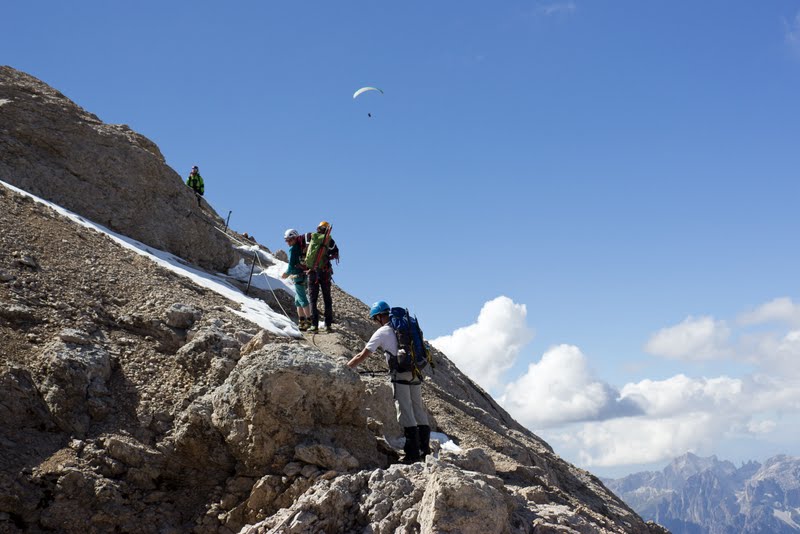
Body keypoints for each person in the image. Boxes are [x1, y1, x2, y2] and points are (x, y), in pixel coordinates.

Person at [347, 301, 431, 464]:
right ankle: (425, 450)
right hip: (415, 371)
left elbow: (363, 355)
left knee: (405, 411)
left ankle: (412, 454)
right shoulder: (406, 326)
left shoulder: (383, 332)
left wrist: (346, 367)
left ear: (379, 316)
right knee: (418, 409)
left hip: (400, 375)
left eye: (374, 319)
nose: (375, 322)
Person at [304, 221, 339, 333]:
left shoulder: (311, 237)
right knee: (327, 299)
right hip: (324, 272)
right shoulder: (330, 240)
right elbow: (336, 253)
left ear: (318, 228)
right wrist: (326, 257)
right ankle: (328, 325)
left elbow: (305, 250)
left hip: (312, 272)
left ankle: (314, 325)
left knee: (313, 300)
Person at [281, 229, 312, 331]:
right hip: (302, 275)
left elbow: (291, 264)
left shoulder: (293, 249)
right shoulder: (300, 247)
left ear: (294, 238)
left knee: (302, 299)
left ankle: (308, 321)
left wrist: (286, 273)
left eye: (289, 240)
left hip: (297, 276)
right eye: (286, 240)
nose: (288, 242)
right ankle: (301, 322)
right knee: (298, 300)